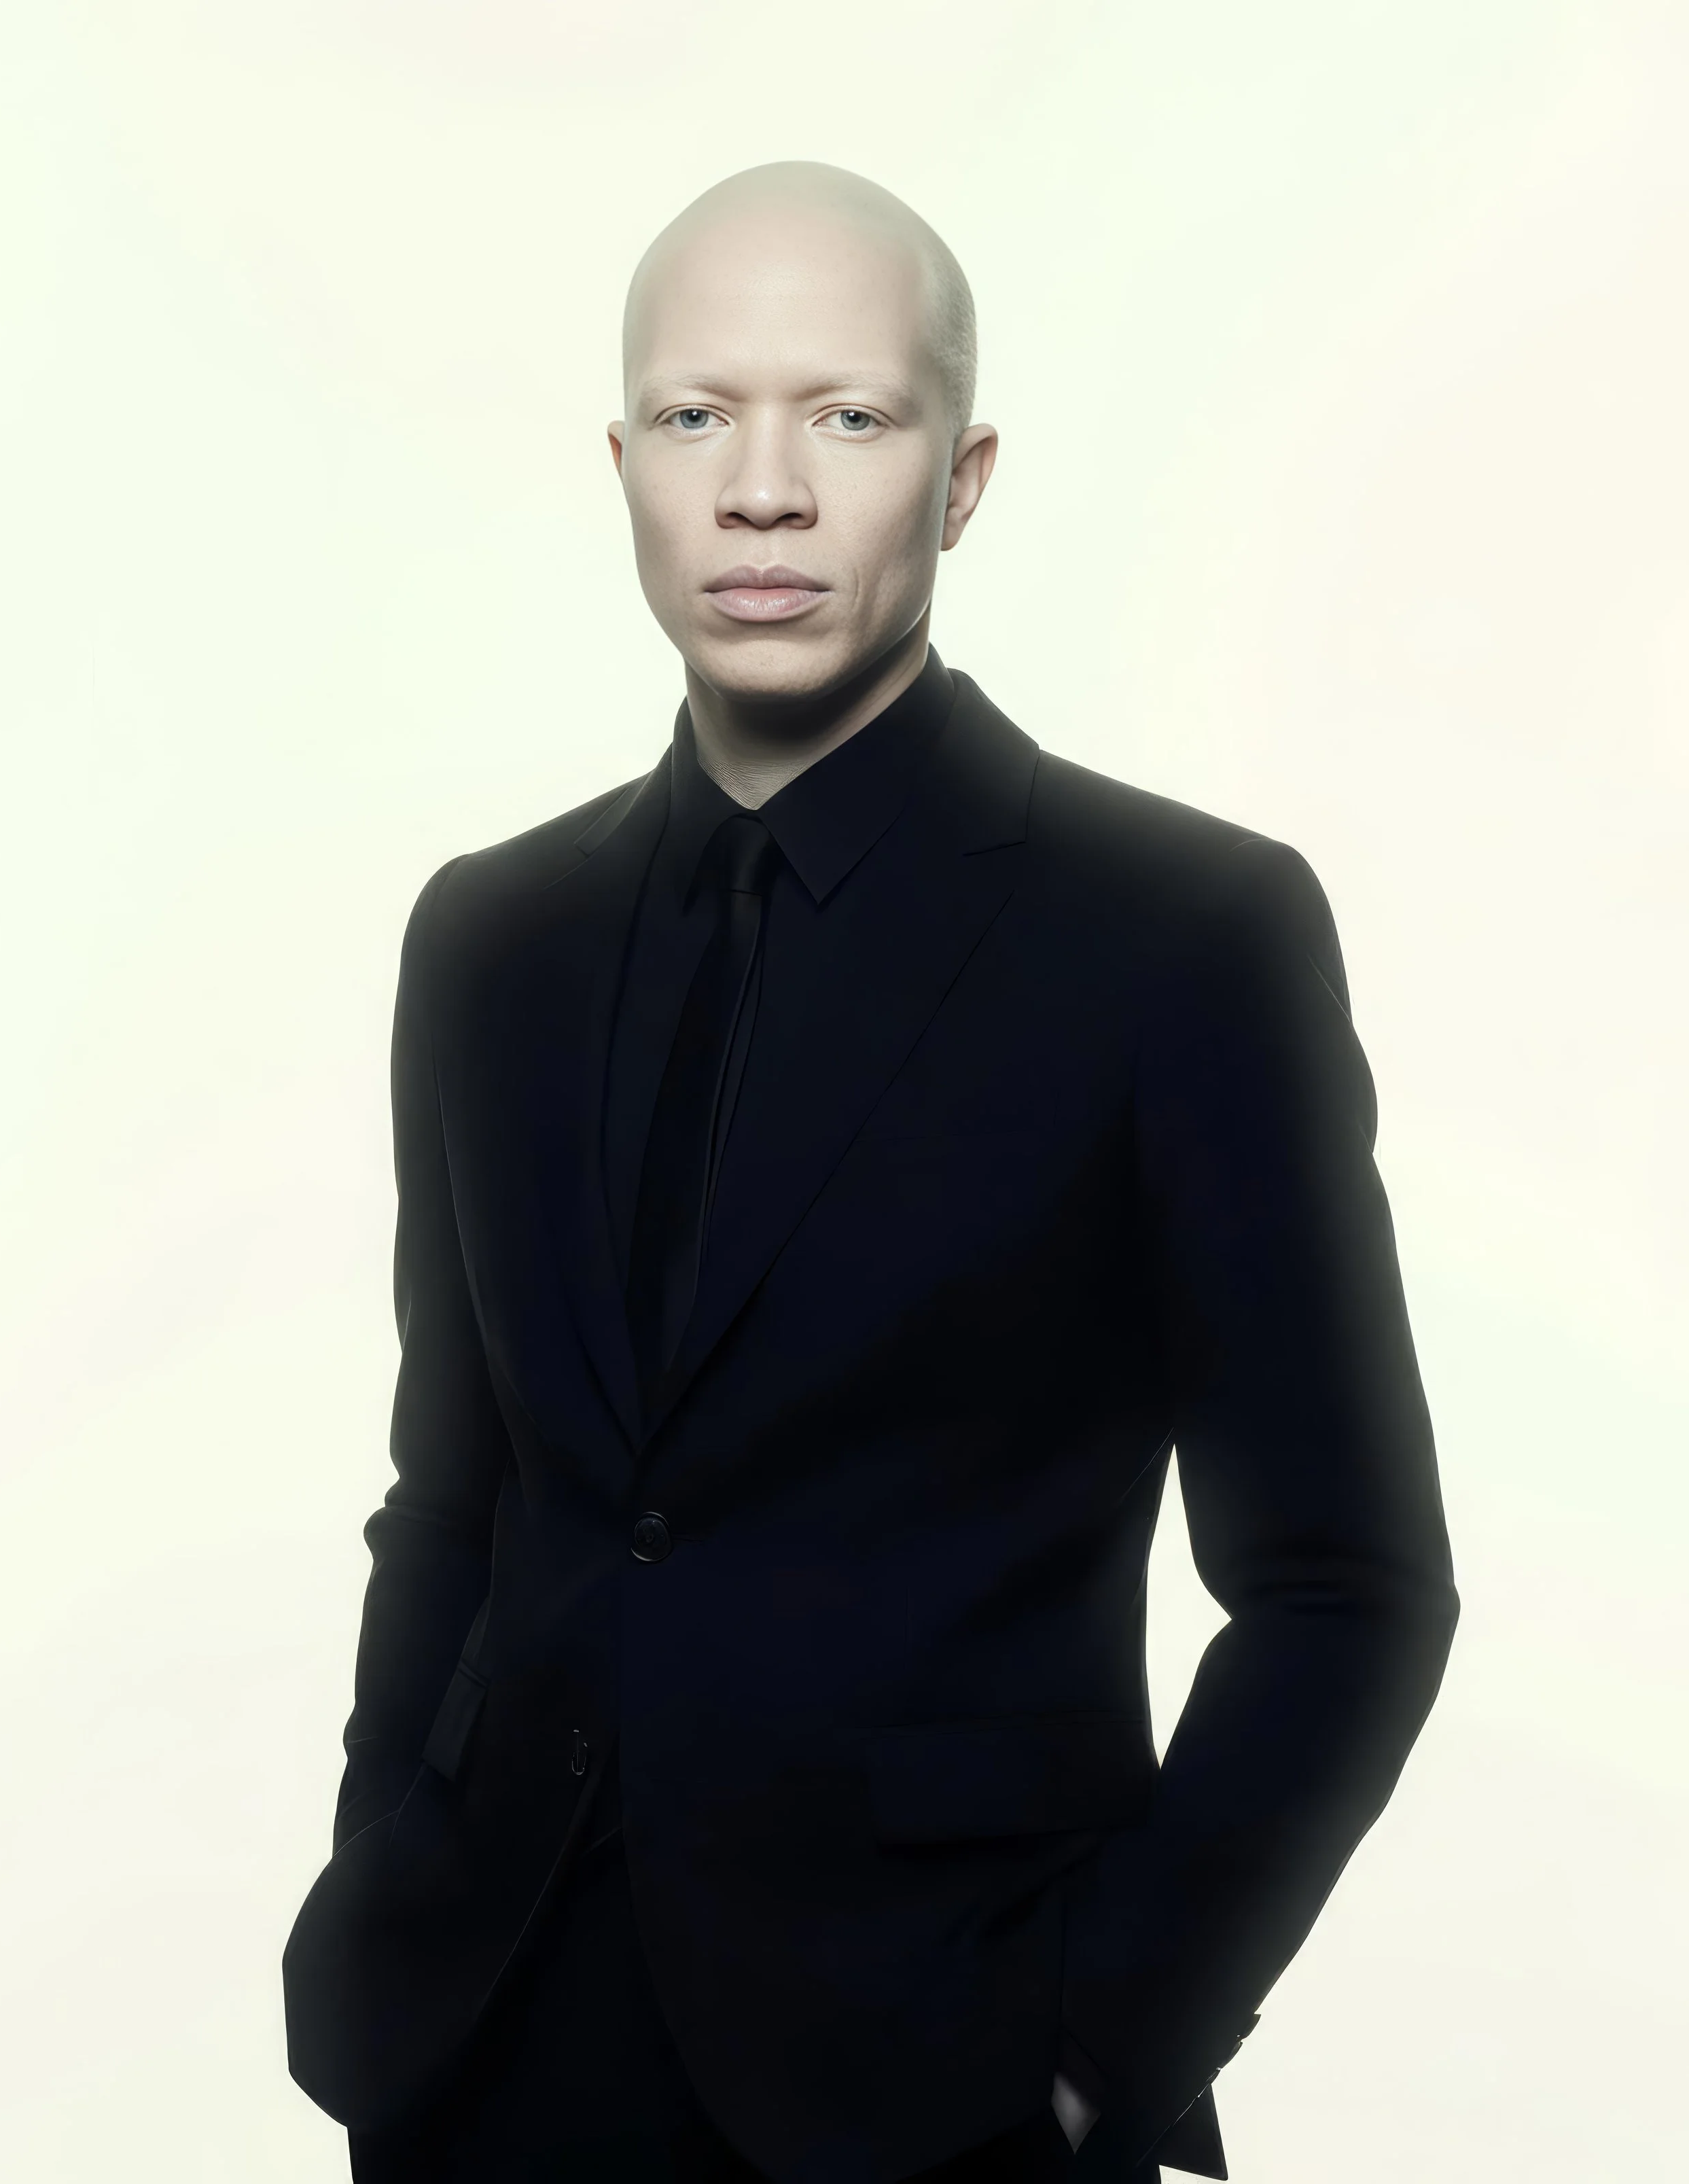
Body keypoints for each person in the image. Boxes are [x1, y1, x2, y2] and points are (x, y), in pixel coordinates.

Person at [283, 161, 1459, 2184]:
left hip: (946, 2076)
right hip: (481, 2052)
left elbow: (1348, 1584)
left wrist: (1097, 2045)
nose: (763, 491)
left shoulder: (1181, 935)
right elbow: (456, 1498)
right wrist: (380, 1894)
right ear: (624, 466)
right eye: (695, 415)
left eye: (846, 415)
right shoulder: (491, 935)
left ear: (963, 476)